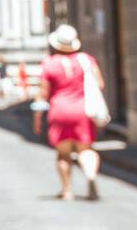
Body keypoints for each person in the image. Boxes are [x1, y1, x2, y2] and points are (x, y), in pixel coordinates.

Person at [33, 23, 105, 201]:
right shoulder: (86, 60)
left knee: (63, 153)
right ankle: (90, 175)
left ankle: (67, 190)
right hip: (83, 110)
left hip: (60, 111)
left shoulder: (49, 64)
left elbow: (43, 93)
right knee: (86, 149)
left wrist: (37, 119)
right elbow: (100, 84)